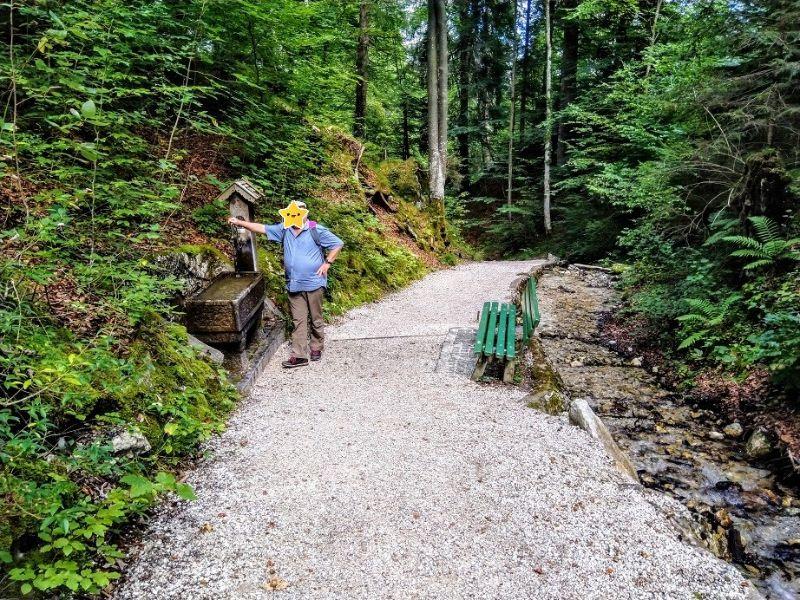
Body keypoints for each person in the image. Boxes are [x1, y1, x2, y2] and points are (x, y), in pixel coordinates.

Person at [228, 202, 344, 368]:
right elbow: (262, 228)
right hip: (294, 284)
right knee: (298, 320)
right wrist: (240, 223)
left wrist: (327, 263)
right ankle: (300, 355)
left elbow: (337, 243)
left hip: (314, 282)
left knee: (316, 318)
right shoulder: (285, 229)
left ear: (305, 213)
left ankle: (316, 347)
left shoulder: (314, 229)